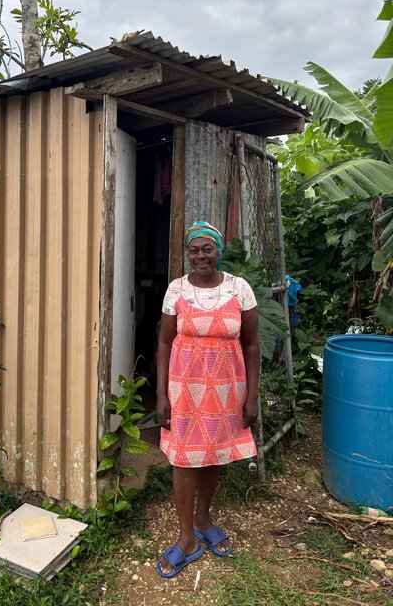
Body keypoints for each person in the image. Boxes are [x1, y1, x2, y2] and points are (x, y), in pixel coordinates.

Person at [156, 221, 260, 578]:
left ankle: (202, 518)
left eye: (207, 248)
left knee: (213, 453)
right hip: (184, 388)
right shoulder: (176, 290)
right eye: (194, 250)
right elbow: (165, 343)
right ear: (189, 254)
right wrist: (160, 394)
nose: (201, 255)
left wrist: (252, 396)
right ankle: (186, 538)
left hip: (226, 389)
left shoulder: (239, 289)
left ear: (218, 251)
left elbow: (251, 344)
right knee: (184, 460)